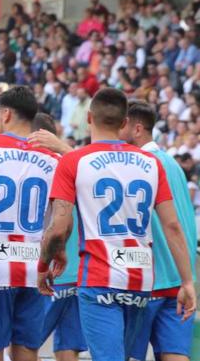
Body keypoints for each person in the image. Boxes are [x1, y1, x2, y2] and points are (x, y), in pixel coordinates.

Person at [38, 88, 196, 361]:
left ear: (89, 118)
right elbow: (172, 226)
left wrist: (44, 265)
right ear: (124, 122)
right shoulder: (152, 163)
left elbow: (59, 227)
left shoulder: (74, 161)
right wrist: (187, 281)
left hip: (99, 277)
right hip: (141, 280)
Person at [0, 86, 60, 361]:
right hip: (35, 267)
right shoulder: (53, 159)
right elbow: (60, 216)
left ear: (5, 114)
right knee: (27, 350)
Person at [121, 102, 197, 361]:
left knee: (128, 355)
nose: (116, 132)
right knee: (176, 355)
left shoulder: (139, 164)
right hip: (179, 279)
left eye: (121, 125)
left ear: (137, 128)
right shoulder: (172, 164)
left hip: (150, 278)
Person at [28, 118, 87, 361]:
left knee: (24, 344)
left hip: (49, 272)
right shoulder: (76, 166)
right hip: (76, 274)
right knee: (66, 347)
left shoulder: (37, 168)